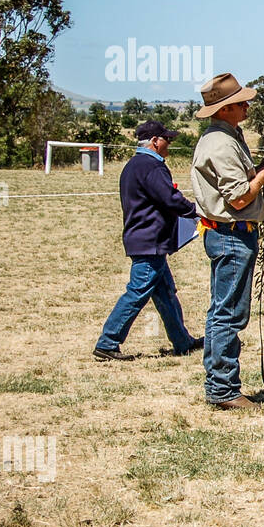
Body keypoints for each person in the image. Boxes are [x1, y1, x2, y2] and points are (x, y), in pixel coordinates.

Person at [191, 73, 264, 410]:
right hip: (231, 235)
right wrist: (262, 178)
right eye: (241, 102)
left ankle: (221, 385)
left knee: (223, 311)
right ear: (225, 108)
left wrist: (262, 168)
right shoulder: (222, 143)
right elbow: (239, 199)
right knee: (229, 314)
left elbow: (239, 184)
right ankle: (223, 389)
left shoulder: (228, 137)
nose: (247, 106)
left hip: (229, 235)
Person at [94, 121, 202, 360]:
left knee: (165, 292)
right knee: (138, 291)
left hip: (143, 238)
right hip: (150, 240)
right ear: (154, 141)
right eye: (167, 139)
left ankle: (182, 341)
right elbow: (170, 198)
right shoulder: (152, 166)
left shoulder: (133, 165)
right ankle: (108, 342)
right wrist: (196, 210)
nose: (170, 144)